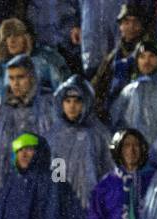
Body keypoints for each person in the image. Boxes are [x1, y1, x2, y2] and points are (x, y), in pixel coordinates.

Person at [0, 55, 55, 190]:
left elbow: (58, 151)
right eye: (11, 78)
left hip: (42, 189)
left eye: (20, 77)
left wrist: (57, 186)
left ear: (32, 77)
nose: (15, 83)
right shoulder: (1, 112)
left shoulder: (49, 107)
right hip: (9, 189)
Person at [48, 76, 114, 211]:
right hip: (64, 207)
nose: (72, 106)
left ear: (87, 102)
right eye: (67, 101)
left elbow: (109, 170)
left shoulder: (99, 133)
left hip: (94, 205)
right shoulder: (55, 136)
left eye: (78, 101)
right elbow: (56, 174)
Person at [93, 3, 148, 123]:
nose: (131, 27)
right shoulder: (112, 57)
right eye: (126, 23)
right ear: (120, 26)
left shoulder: (150, 54)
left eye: (135, 23)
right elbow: (97, 86)